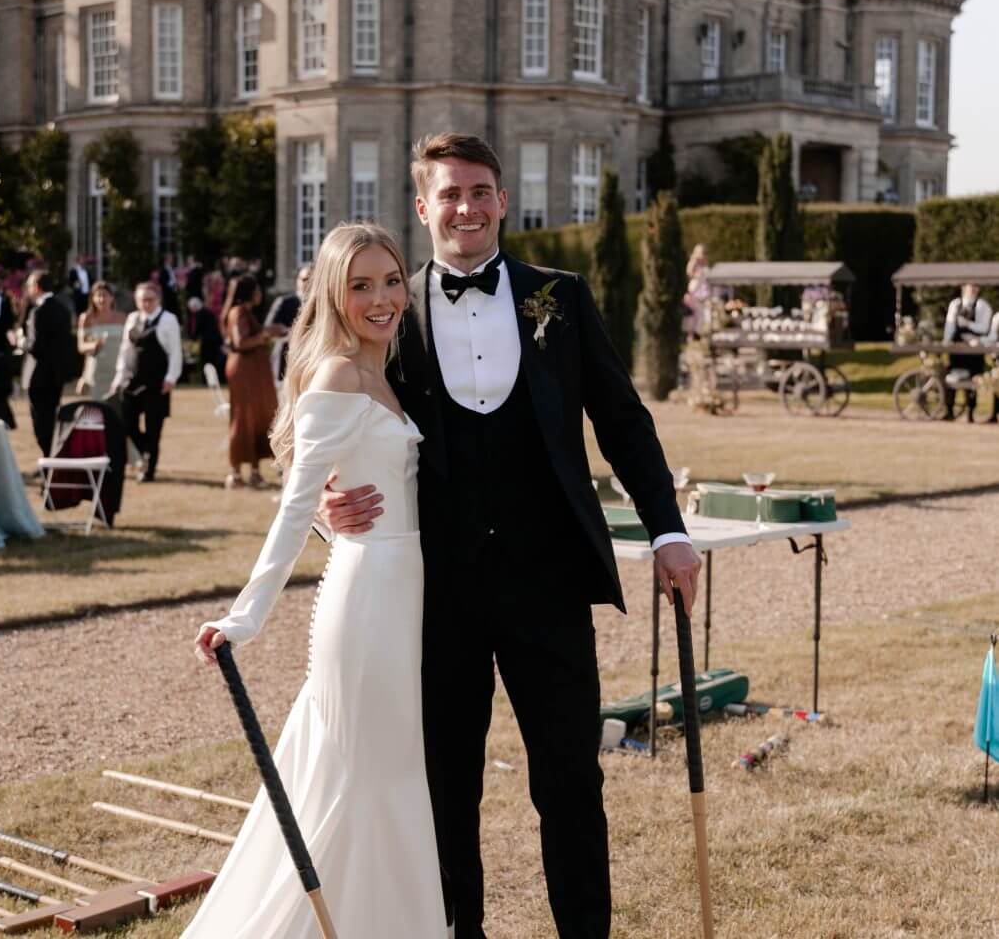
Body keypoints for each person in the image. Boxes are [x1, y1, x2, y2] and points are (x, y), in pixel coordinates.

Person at [320, 133, 701, 938]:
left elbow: (622, 423)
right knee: (444, 786)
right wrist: (328, 501)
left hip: (548, 582)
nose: (465, 207)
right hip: (435, 590)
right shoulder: (387, 310)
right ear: (422, 206)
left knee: (569, 782)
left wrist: (667, 530)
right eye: (449, 194)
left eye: (479, 191)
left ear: (500, 200)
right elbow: (331, 423)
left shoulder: (560, 296)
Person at [188, 223, 446, 938]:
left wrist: (338, 519)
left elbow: (371, 488)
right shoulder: (337, 375)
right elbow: (296, 507)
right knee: (365, 780)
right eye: (360, 285)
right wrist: (244, 617)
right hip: (367, 602)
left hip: (406, 593)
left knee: (392, 777)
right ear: (333, 294)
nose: (381, 299)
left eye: (390, 281)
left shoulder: (388, 370)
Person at [109, 281, 182, 483]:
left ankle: (149, 469)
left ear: (158, 299)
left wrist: (171, 377)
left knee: (153, 428)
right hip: (132, 381)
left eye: (150, 300)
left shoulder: (168, 320)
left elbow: (176, 352)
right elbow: (125, 350)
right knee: (127, 423)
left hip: (156, 383)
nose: (146, 304)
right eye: (142, 300)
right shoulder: (132, 318)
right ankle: (147, 452)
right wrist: (119, 377)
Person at [221, 274, 285, 489]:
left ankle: (255, 472)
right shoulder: (238, 312)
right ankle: (235, 473)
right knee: (243, 419)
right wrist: (267, 333)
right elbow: (241, 342)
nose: (259, 293)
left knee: (256, 419)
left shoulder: (247, 312)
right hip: (244, 372)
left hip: (253, 371)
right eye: (256, 289)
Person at [20, 270, 74, 456]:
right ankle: (52, 459)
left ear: (36, 287)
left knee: (41, 425)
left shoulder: (38, 311)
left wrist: (20, 342)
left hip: (39, 377)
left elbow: (36, 347)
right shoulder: (63, 309)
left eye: (29, 286)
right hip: (56, 377)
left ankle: (49, 461)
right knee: (52, 421)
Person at [943, 283, 994, 423]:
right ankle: (949, 411)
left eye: (975, 287)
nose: (972, 289)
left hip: (974, 351)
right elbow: (949, 325)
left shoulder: (982, 306)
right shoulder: (955, 304)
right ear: (963, 288)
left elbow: (984, 328)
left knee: (973, 380)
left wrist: (967, 324)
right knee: (951, 377)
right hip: (957, 349)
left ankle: (970, 413)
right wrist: (947, 342)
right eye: (969, 286)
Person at [76, 281, 126, 398]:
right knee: (96, 405)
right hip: (96, 371)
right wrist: (94, 345)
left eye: (105, 295)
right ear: (92, 298)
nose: (101, 299)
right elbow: (81, 347)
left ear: (112, 298)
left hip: (117, 370)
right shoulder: (86, 318)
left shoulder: (122, 318)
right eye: (98, 296)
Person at [265, 263, 309, 391]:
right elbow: (269, 328)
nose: (308, 283)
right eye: (304, 279)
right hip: (286, 359)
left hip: (312, 361)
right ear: (297, 280)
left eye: (313, 279)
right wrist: (289, 332)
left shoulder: (323, 304)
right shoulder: (284, 302)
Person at [185, 295, 224, 377]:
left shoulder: (201, 314)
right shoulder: (208, 312)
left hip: (208, 342)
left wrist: (192, 339)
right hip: (214, 341)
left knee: (207, 361)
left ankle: (207, 378)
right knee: (213, 361)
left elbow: (197, 328)